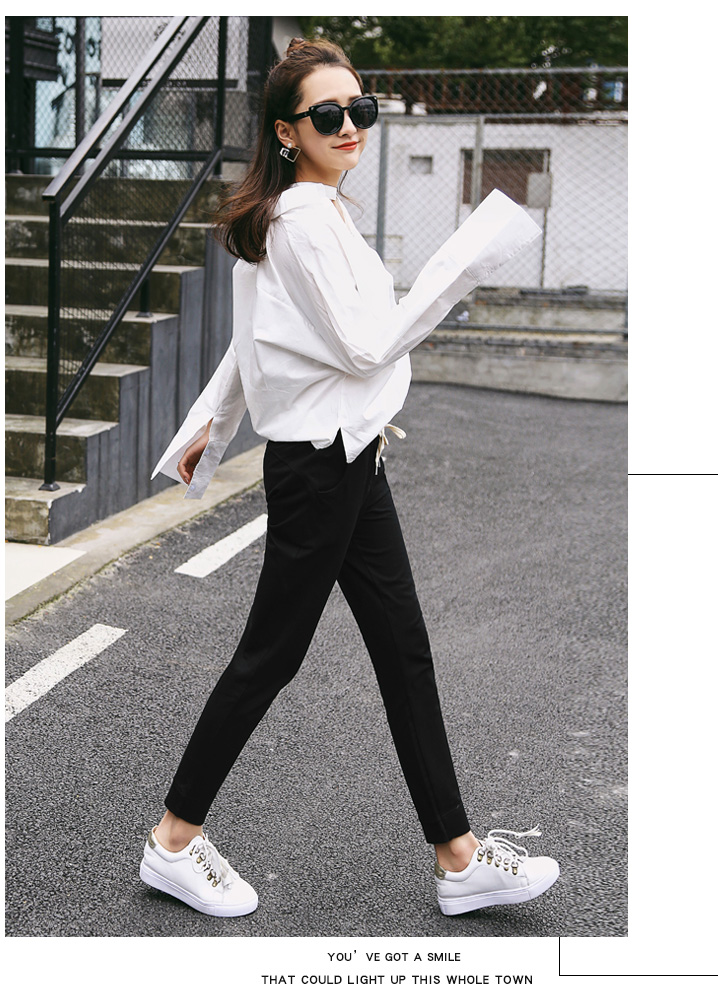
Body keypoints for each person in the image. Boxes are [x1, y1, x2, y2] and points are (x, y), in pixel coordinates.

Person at [139, 37, 559, 919]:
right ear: (286, 131)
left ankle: (459, 858)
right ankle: (173, 842)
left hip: (352, 456)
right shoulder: (301, 220)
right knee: (272, 656)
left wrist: (209, 426)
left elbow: (255, 339)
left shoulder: (306, 211)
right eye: (327, 114)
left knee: (403, 649)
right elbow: (366, 347)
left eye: (360, 109)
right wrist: (467, 262)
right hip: (322, 467)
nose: (350, 126)